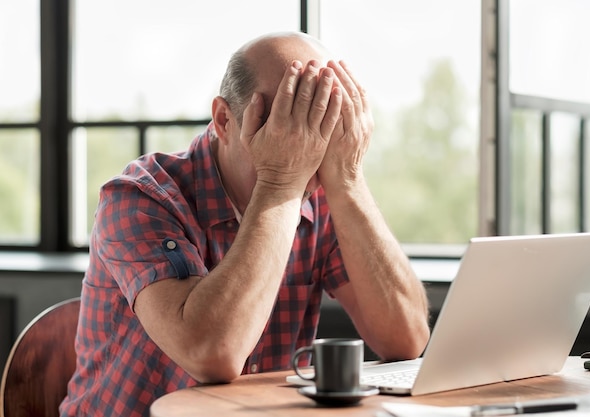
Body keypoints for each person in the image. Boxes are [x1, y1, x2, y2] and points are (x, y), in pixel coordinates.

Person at [60, 31, 431, 417]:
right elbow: (211, 354)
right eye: (285, 124)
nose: (304, 146)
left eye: (322, 124)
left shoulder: (322, 198)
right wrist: (279, 182)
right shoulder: (139, 199)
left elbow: (405, 339)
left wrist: (349, 180)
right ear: (224, 119)